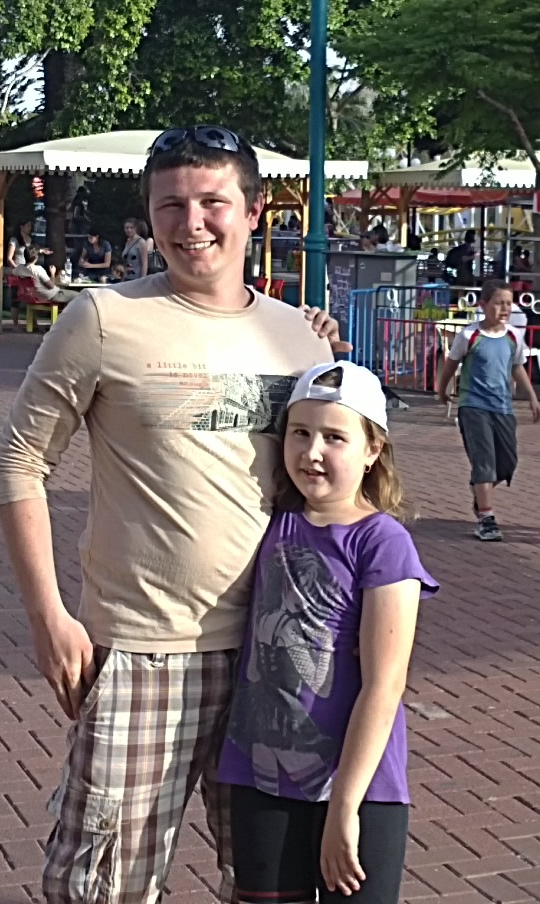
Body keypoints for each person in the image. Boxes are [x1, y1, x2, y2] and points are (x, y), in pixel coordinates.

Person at [0, 125, 345, 904]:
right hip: (144, 650)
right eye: (170, 206)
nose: (192, 225)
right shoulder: (103, 318)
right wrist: (48, 616)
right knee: (102, 884)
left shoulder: (297, 336)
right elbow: (19, 463)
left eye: (213, 202)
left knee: (273, 882)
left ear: (254, 211)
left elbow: (331, 484)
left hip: (275, 655)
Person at [220, 362, 435, 904]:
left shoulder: (383, 543)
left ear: (372, 449)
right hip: (262, 774)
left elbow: (385, 685)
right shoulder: (270, 521)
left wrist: (344, 807)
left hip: (359, 787)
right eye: (300, 432)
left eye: (335, 437)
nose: (311, 452)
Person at [435, 279, 540, 542]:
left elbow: (516, 366)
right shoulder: (469, 336)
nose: (504, 309)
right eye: (498, 303)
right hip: (473, 406)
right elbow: (451, 364)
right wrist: (442, 388)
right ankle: (486, 518)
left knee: (507, 463)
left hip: (502, 407)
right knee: (483, 461)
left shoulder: (513, 336)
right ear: (483, 305)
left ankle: (479, 490)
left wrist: (531, 396)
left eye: (508, 304)